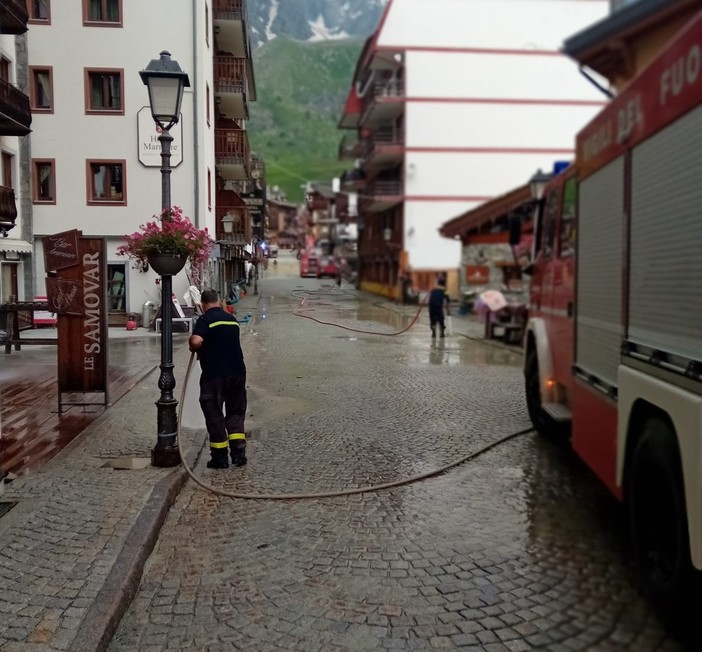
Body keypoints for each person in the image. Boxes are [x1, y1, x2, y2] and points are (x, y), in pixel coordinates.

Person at [188, 289, 247, 469]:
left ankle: (220, 458)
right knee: (236, 413)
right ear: (219, 301)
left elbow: (197, 341)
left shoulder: (205, 319)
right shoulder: (232, 320)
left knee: (214, 414)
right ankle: (239, 454)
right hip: (237, 373)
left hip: (214, 375)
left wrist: (192, 344)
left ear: (203, 304)